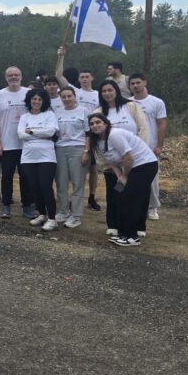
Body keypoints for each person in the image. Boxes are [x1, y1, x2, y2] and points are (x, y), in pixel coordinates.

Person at [87, 114, 158, 247]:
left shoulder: (115, 135)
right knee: (119, 195)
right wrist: (119, 177)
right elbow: (112, 161)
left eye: (98, 122)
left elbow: (129, 157)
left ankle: (132, 236)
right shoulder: (98, 141)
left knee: (130, 198)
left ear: (105, 123)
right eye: (92, 124)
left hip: (145, 165)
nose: (95, 125)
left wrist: (125, 176)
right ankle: (123, 232)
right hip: (129, 168)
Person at [57, 46, 101, 211]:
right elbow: (59, 75)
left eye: (87, 77)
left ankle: (92, 197)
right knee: (72, 172)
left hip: (93, 134)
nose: (84, 79)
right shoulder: (74, 91)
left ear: (92, 78)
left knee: (93, 168)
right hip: (76, 135)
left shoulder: (98, 94)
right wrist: (61, 56)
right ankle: (70, 200)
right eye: (82, 77)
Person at [0, 67, 32, 219]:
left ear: (21, 76)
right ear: (6, 78)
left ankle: (27, 205)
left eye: (16, 74)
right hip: (7, 144)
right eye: (10, 75)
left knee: (26, 176)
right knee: (6, 176)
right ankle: (6, 205)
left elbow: (36, 114)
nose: (14, 77)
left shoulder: (28, 93)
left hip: (26, 144)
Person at [18, 88, 59, 231]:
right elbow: (21, 135)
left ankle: (52, 219)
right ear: (29, 100)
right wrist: (41, 133)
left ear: (44, 101)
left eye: (39, 99)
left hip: (46, 157)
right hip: (28, 157)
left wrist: (31, 131)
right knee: (34, 187)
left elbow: (51, 132)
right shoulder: (24, 117)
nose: (36, 102)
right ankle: (42, 214)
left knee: (45, 187)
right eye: (34, 99)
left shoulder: (49, 115)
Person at [128, 73, 167, 220]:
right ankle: (137, 205)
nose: (135, 86)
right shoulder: (128, 103)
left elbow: (162, 123)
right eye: (132, 83)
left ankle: (152, 207)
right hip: (133, 147)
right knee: (133, 177)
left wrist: (159, 145)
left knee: (152, 178)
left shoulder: (156, 102)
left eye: (138, 82)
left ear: (145, 82)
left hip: (150, 147)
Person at [53, 87, 88, 227]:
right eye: (64, 97)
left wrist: (86, 151)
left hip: (78, 148)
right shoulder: (57, 112)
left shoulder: (83, 111)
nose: (67, 99)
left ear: (74, 96)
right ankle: (64, 210)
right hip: (60, 149)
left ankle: (76, 215)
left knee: (77, 183)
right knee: (61, 182)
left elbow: (88, 133)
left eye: (69, 96)